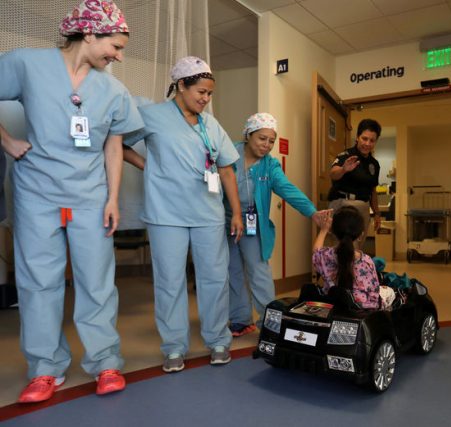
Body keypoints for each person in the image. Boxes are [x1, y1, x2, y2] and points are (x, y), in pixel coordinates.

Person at [0, 0, 144, 403]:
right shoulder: (27, 64)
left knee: (96, 281)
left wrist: (114, 198)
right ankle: (45, 369)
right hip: (37, 192)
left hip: (90, 195)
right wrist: (8, 142)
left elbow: (113, 147)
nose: (117, 56)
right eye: (114, 46)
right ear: (89, 32)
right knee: (37, 281)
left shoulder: (113, 90)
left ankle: (105, 361)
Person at [123, 56, 243, 373]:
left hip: (208, 214)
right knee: (169, 281)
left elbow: (227, 170)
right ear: (180, 86)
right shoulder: (151, 115)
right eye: (200, 92)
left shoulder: (211, 124)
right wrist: (147, 166)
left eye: (209, 94)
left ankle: (218, 341)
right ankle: (174, 347)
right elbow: (119, 144)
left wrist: (237, 213)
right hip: (166, 214)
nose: (205, 99)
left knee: (214, 279)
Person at [225, 113, 329, 336]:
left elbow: (287, 189)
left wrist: (312, 212)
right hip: (224, 220)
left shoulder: (270, 165)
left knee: (258, 270)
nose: (267, 145)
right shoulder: (228, 153)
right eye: (262, 138)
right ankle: (240, 319)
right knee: (231, 270)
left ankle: (269, 322)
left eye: (271, 141)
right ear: (248, 135)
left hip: (252, 223)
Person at [312, 206, 380, 309]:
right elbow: (374, 295)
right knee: (389, 292)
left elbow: (316, 251)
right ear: (361, 235)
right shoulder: (366, 261)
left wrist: (324, 229)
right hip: (361, 311)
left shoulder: (325, 257)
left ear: (333, 232)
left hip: (333, 307)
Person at [327, 119, 382, 235]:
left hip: (363, 208)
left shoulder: (374, 164)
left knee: (357, 248)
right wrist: (343, 169)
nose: (367, 144)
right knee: (342, 248)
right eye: (364, 138)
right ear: (357, 137)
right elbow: (333, 173)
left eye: (372, 140)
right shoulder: (346, 155)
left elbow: (373, 190)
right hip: (344, 205)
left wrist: (377, 213)